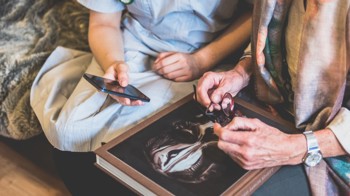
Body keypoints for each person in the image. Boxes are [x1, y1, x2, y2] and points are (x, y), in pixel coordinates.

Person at [30, 0, 253, 195]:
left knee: (139, 135)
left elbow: (255, 15)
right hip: (135, 45)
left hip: (212, 51)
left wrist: (201, 61)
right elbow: (103, 24)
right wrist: (114, 63)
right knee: (69, 130)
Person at [195, 0, 350, 195]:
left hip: (334, 142)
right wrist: (241, 73)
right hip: (277, 106)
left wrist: (293, 148)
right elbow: (271, 29)